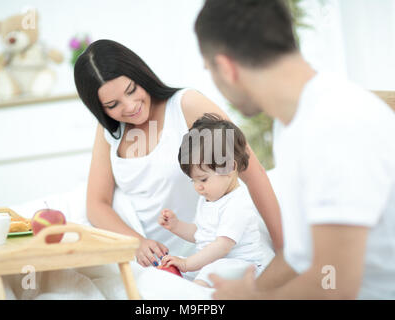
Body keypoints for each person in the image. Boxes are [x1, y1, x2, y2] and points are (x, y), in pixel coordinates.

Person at [194, 0, 395, 299]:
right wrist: (249, 289)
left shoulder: (336, 123)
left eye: (209, 70)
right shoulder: (293, 122)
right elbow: (299, 257)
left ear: (226, 68)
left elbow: (335, 284)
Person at [74, 39, 283, 268]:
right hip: (152, 260)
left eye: (132, 90)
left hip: (213, 252)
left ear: (141, 74)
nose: (130, 106)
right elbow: (96, 204)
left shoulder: (186, 106)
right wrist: (138, 244)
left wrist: (284, 252)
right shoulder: (109, 132)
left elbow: (253, 174)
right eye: (113, 104)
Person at [158, 113, 275, 287]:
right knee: (173, 266)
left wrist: (187, 264)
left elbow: (222, 246)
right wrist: (176, 226)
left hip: (243, 266)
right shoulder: (209, 199)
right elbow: (203, 235)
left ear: (229, 167)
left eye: (203, 179)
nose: (197, 187)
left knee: (207, 270)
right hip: (214, 263)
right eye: (193, 180)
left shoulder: (237, 203)